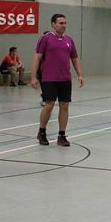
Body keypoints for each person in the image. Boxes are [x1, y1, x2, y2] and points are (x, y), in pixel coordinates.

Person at [30, 14, 84, 147]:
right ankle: (42, 132)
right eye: (61, 23)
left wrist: (80, 75)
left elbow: (75, 58)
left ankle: (62, 135)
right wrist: (33, 77)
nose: (64, 25)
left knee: (64, 106)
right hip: (49, 78)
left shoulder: (69, 41)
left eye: (65, 23)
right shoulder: (45, 39)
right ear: (53, 24)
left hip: (65, 78)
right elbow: (37, 57)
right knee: (49, 105)